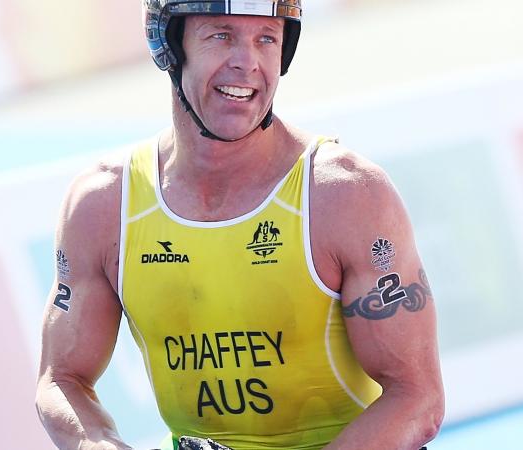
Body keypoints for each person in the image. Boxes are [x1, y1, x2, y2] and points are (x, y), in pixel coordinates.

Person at [35, 1, 444, 449]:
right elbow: (61, 379)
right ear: (170, 46)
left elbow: (417, 398)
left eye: (266, 38)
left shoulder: (346, 194)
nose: (246, 61)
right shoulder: (102, 204)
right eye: (222, 35)